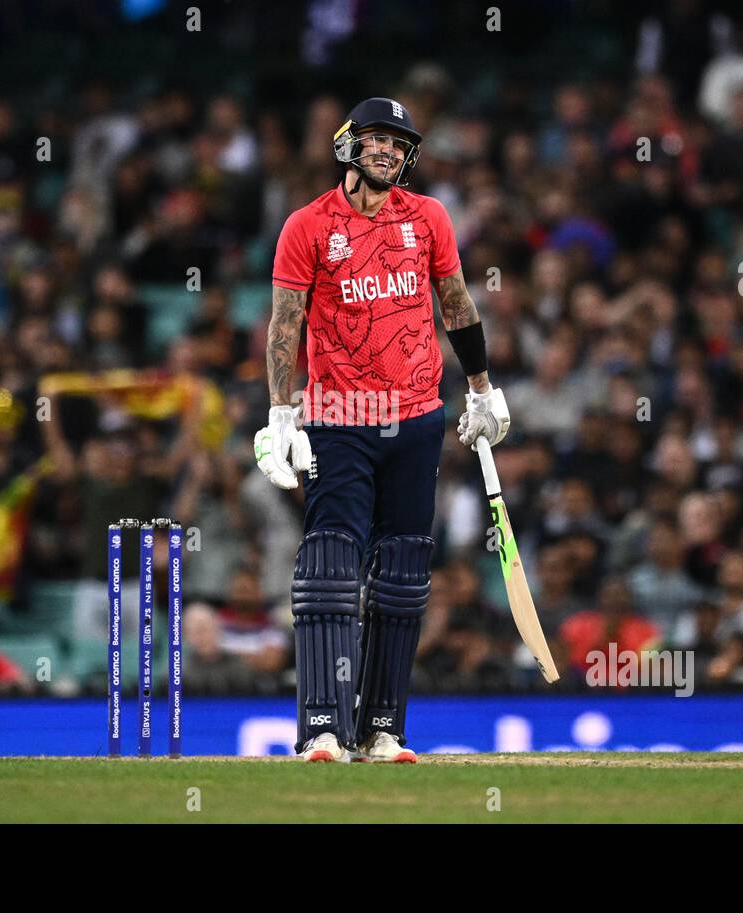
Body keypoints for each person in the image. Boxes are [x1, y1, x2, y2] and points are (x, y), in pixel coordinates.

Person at [254, 98, 510, 763]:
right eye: (375, 140)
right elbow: (285, 325)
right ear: (348, 145)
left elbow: (455, 302)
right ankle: (320, 727)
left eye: (399, 143)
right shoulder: (308, 225)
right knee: (333, 564)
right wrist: (282, 412)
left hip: (418, 416)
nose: (388, 151)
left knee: (400, 572)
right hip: (340, 418)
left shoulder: (427, 218)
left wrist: (483, 387)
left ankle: (380, 728)